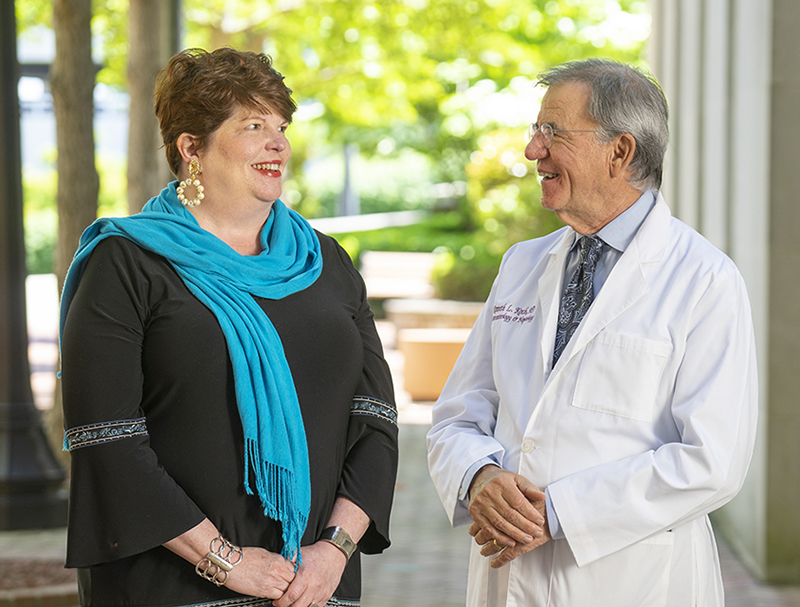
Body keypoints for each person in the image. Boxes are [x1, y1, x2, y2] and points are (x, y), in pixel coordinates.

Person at [59, 47, 398, 607]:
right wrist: (225, 561)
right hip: (169, 587)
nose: (279, 144)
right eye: (254, 125)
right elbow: (107, 440)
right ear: (191, 147)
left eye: (282, 126)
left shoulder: (324, 261)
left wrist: (335, 550)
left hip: (313, 586)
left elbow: (375, 418)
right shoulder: (124, 261)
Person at [427, 58, 757, 606]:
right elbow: (458, 414)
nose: (533, 150)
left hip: (632, 581)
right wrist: (478, 476)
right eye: (536, 131)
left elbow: (712, 461)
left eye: (551, 132)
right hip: (509, 577)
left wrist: (554, 513)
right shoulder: (521, 265)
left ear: (620, 152)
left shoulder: (705, 279)